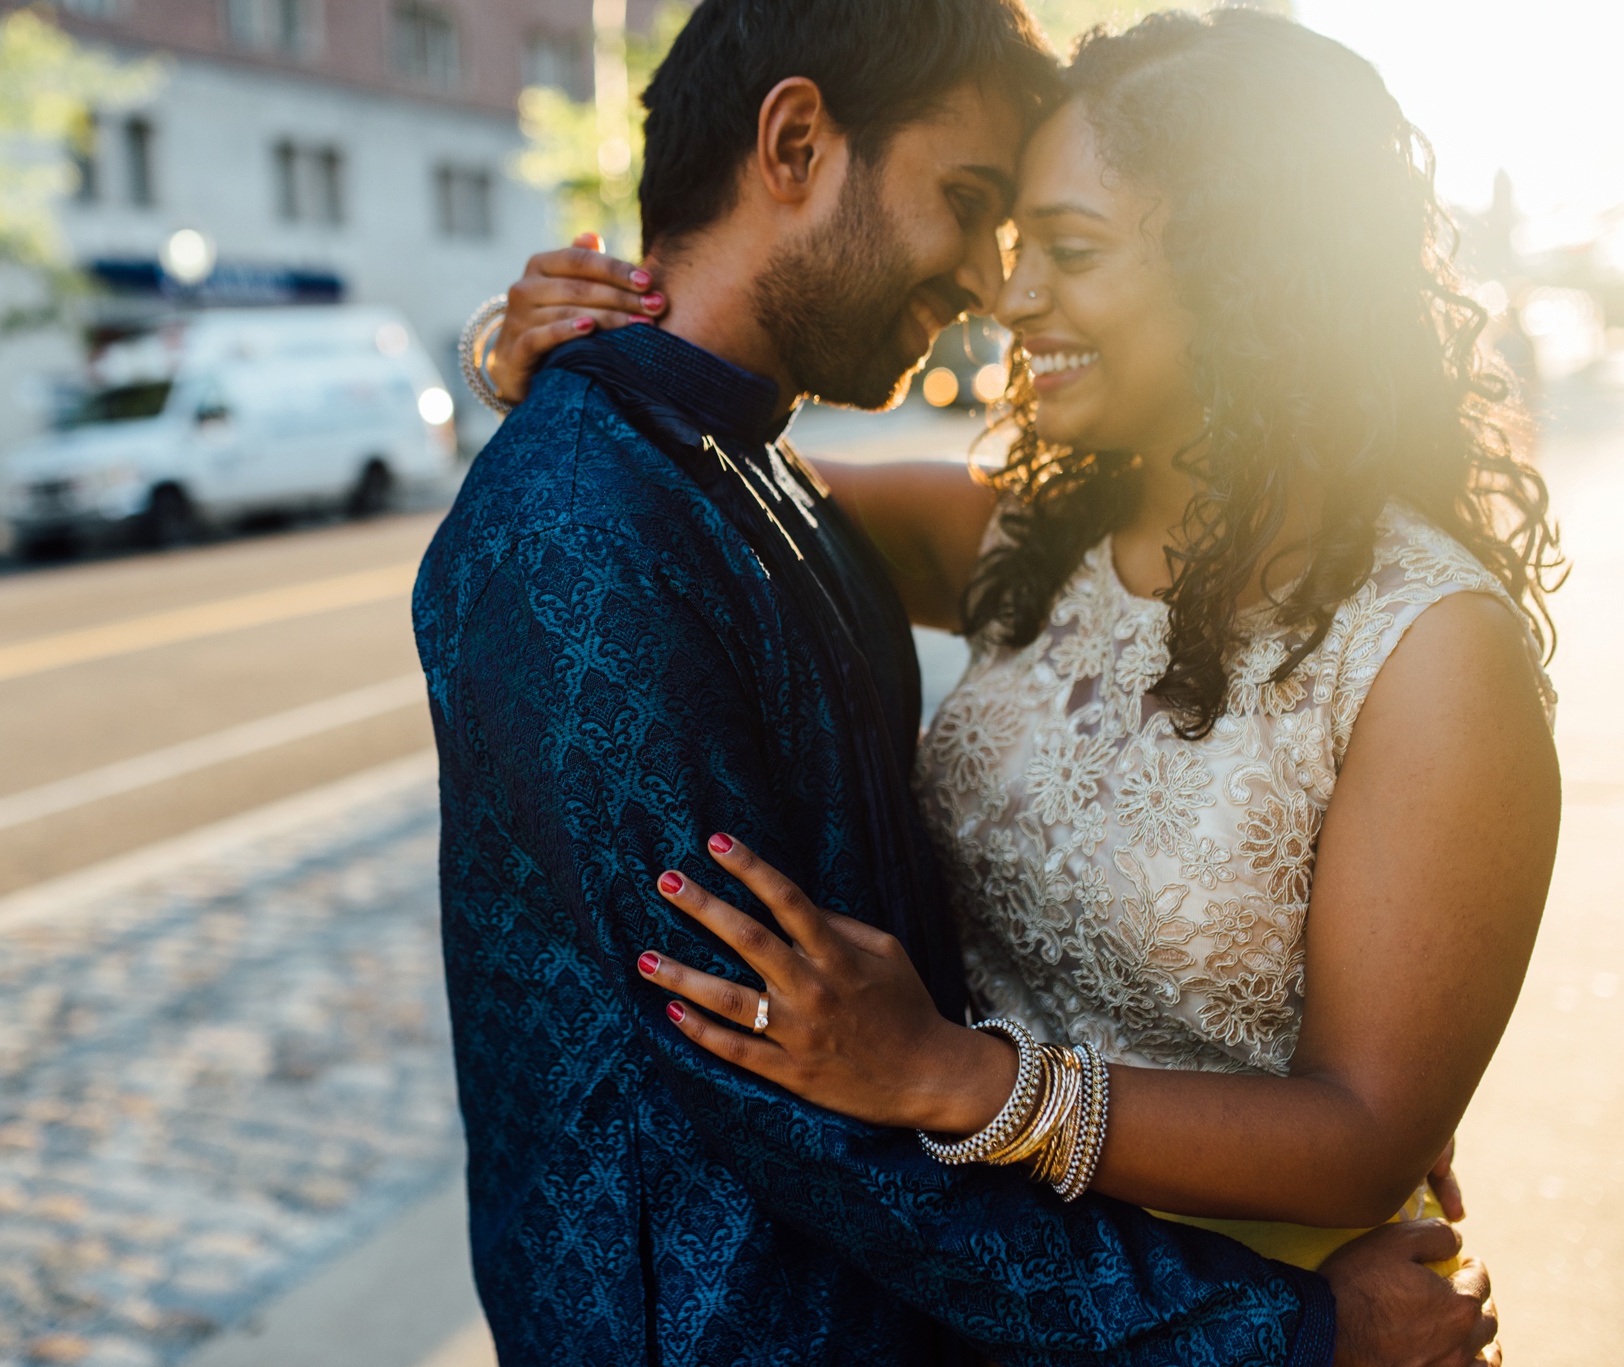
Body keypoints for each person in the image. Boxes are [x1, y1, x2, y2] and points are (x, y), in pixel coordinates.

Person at [418, 1, 1508, 1363]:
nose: (1008, 294)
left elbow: (1364, 1128)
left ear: (1248, 280)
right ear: (795, 138)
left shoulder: (1430, 641)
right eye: (995, 223)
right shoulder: (1020, 543)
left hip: (1250, 1294)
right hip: (1029, 1306)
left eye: (1066, 246)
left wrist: (966, 1081)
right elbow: (680, 502)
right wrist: (549, 361)